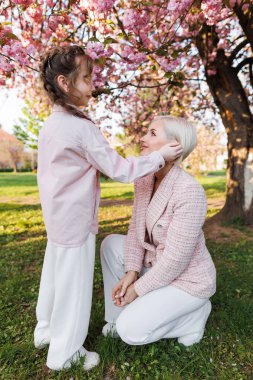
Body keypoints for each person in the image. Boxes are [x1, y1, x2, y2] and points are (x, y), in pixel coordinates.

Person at [34, 45, 183, 372]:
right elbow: (120, 169)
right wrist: (160, 157)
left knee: (55, 276)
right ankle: (66, 353)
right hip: (74, 219)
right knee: (74, 286)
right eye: (86, 79)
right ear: (65, 83)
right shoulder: (81, 128)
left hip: (56, 217)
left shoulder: (52, 124)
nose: (92, 85)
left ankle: (45, 329)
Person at [101, 116, 216, 347]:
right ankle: (116, 317)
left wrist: (138, 289)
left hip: (187, 281)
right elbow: (136, 228)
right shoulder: (145, 178)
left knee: (131, 332)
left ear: (175, 145)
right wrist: (131, 271)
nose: (142, 138)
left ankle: (195, 315)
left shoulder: (190, 191)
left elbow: (175, 261)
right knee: (111, 243)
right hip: (157, 264)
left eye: (152, 134)